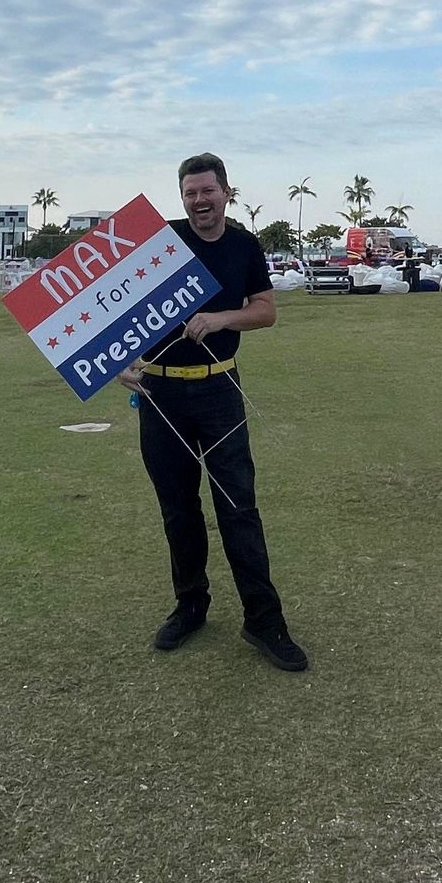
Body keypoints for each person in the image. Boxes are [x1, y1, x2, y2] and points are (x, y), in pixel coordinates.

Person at [118, 154, 306, 672]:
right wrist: (117, 364)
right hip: (158, 397)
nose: (199, 201)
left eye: (207, 191)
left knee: (238, 507)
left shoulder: (243, 245)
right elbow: (112, 310)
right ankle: (191, 605)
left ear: (226, 192)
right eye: (189, 193)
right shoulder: (160, 244)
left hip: (220, 390)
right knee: (178, 509)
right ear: (182, 198)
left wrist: (221, 317)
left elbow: (265, 310)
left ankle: (264, 620)